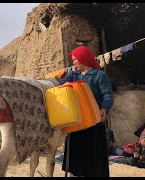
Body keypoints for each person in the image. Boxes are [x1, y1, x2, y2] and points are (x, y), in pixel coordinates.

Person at [60, 46, 114, 177]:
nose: (73, 63)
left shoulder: (99, 76)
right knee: (76, 153)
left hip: (94, 122)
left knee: (92, 155)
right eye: (72, 61)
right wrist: (61, 79)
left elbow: (107, 94)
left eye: (75, 60)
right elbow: (61, 87)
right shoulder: (73, 75)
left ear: (83, 59)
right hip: (77, 121)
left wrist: (104, 108)